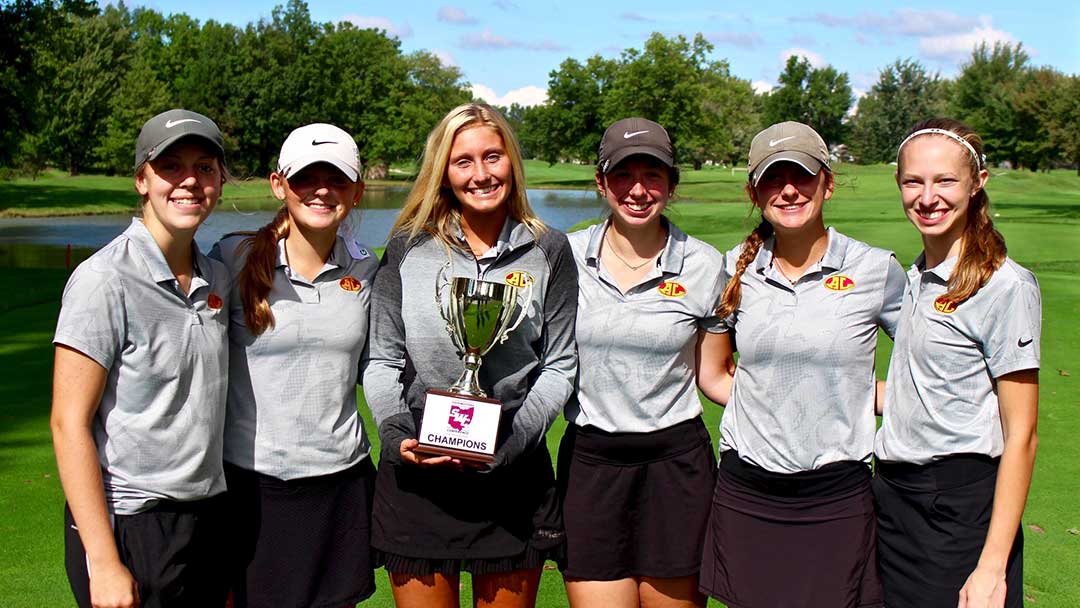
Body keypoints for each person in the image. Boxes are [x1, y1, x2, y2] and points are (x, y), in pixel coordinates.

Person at [363, 103, 578, 608]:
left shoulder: (549, 250)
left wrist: (517, 440)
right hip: (419, 468)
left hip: (513, 473)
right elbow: (383, 360)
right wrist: (395, 435)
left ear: (512, 163)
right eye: (463, 161)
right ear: (443, 172)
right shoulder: (406, 249)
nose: (481, 174)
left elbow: (560, 363)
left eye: (493, 156)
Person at [698, 121, 906, 608]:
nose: (789, 190)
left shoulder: (876, 269)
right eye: (773, 178)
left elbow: (924, 366)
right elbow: (713, 374)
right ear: (755, 191)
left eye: (802, 176)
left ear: (827, 183)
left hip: (836, 497)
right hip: (747, 490)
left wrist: (862, 396)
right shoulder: (733, 269)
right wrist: (772, 397)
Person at [50, 109, 231, 608]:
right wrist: (104, 560)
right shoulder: (103, 280)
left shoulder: (218, 277)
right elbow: (68, 423)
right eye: (170, 166)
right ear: (141, 179)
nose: (189, 181)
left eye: (205, 167)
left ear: (219, 181)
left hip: (208, 519)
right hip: (130, 523)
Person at [558, 118, 730, 608]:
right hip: (591, 464)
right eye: (622, 175)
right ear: (600, 182)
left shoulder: (703, 264)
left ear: (671, 184)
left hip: (676, 466)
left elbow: (714, 375)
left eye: (653, 175)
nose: (638, 190)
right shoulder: (564, 257)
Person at [210, 123, 378, 607]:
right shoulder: (232, 258)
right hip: (249, 485)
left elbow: (385, 367)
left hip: (340, 484)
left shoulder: (368, 269)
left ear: (356, 191)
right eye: (306, 177)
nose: (321, 190)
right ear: (279, 184)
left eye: (337, 178)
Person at [874, 118, 1040, 608]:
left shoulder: (1004, 286)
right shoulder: (913, 277)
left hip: (956, 510)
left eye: (945, 180)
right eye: (913, 181)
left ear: (977, 183)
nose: (928, 197)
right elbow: (926, 389)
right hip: (891, 501)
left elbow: (1022, 435)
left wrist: (991, 567)